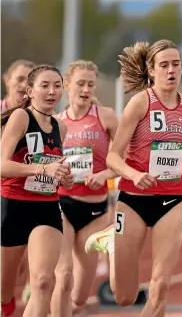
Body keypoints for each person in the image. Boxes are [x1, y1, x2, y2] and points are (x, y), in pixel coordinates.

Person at [84, 40, 182, 316]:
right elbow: (113, 157)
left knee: (160, 285)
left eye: (176, 64)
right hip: (133, 201)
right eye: (164, 65)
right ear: (151, 70)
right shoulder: (140, 104)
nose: (171, 70)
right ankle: (113, 244)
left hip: (172, 201)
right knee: (124, 296)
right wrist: (134, 174)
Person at [1, 64, 74, 316]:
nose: (52, 91)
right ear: (30, 91)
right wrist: (42, 170)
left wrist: (64, 176)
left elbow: (54, 167)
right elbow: (1, 164)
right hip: (13, 208)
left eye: (57, 85)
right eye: (45, 85)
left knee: (43, 282)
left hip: (46, 208)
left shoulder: (60, 127)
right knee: (4, 293)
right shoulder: (21, 118)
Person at [49, 60, 119, 316]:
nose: (86, 89)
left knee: (79, 295)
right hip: (62, 206)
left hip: (96, 212)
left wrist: (103, 175)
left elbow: (125, 160)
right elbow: (44, 166)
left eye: (90, 84)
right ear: (67, 86)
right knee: (63, 275)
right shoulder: (55, 123)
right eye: (80, 83)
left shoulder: (106, 117)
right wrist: (56, 174)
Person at [1, 59, 37, 305]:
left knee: (21, 262)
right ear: (7, 81)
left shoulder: (39, 119)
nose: (24, 85)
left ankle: (11, 296)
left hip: (25, 196)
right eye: (20, 79)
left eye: (29, 81)